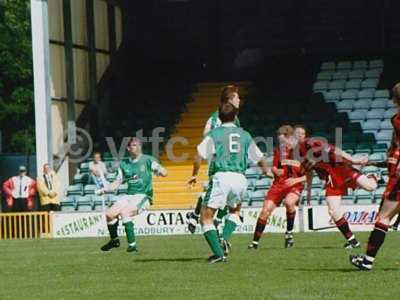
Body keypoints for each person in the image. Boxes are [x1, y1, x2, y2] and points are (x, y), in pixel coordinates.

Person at [188, 102, 269, 263]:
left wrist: (194, 174)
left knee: (205, 217)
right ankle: (224, 238)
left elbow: (198, 155)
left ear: (219, 116)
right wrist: (267, 171)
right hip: (240, 178)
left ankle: (219, 254)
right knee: (235, 211)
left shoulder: (214, 134)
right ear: (235, 116)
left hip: (222, 176)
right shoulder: (244, 134)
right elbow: (259, 157)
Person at [350, 83, 400, 270]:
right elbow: (392, 158)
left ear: (394, 99)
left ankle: (368, 261)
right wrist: (370, 162)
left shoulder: (397, 120)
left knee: (383, 218)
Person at [300, 137, 377, 249]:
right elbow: (309, 173)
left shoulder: (314, 144)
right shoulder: (300, 155)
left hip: (344, 170)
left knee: (371, 187)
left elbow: (336, 150)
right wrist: (308, 192)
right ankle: (352, 241)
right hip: (332, 180)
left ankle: (373, 176)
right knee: (333, 211)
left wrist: (354, 160)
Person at [187, 85, 242, 234]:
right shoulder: (219, 116)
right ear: (230, 99)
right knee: (222, 190)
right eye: (237, 97)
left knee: (220, 191)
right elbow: (207, 134)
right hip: (219, 159)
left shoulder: (230, 117)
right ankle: (214, 222)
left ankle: (195, 216)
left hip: (224, 159)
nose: (239, 100)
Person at [100, 137, 167, 253]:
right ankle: (114, 241)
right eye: (134, 145)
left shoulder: (148, 160)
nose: (137, 148)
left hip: (143, 196)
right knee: (109, 214)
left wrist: (161, 171)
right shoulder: (124, 164)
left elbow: (164, 172)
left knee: (125, 212)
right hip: (129, 195)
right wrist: (106, 189)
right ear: (128, 148)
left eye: (138, 145)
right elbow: (117, 182)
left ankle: (132, 246)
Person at [248, 125, 309, 250]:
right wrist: (275, 171)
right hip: (278, 185)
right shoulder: (279, 151)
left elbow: (310, 176)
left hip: (295, 185)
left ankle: (289, 233)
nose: (281, 143)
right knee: (265, 211)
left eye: (283, 141)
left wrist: (295, 180)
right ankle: (255, 243)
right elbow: (274, 167)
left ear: (290, 138)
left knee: (289, 202)